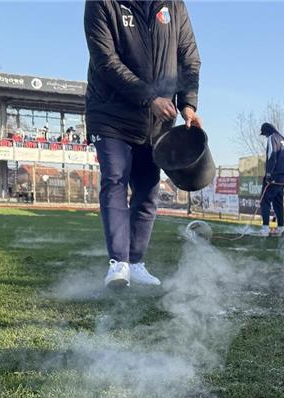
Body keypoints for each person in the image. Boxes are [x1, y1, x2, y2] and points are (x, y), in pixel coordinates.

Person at [84, 0, 201, 287]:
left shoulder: (173, 6)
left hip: (156, 121)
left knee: (148, 190)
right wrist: (149, 97)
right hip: (111, 114)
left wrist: (187, 105)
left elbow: (189, 58)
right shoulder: (103, 4)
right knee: (114, 178)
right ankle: (118, 263)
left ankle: (136, 263)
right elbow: (105, 60)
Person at [259, 122, 284, 237]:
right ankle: (281, 228)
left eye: (264, 135)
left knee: (264, 200)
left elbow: (271, 156)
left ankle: (265, 229)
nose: (265, 137)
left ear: (267, 132)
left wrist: (268, 174)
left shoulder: (272, 138)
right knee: (278, 202)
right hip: (283, 177)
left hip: (274, 176)